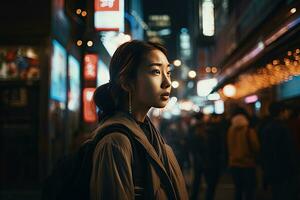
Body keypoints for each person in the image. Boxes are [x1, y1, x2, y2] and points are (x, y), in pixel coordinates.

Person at [89, 40, 188, 200]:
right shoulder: (116, 142)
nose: (167, 82)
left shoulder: (150, 134)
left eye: (168, 72)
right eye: (156, 72)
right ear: (127, 82)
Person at [260, 102, 298, 200]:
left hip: (272, 171)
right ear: (281, 112)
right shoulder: (282, 128)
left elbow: (265, 152)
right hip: (284, 171)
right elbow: (288, 152)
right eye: (286, 111)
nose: (288, 114)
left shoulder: (266, 128)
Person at [227, 108, 260, 200]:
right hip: (247, 164)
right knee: (249, 190)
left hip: (234, 164)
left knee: (238, 189)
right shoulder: (249, 130)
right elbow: (256, 147)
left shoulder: (230, 130)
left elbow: (228, 146)